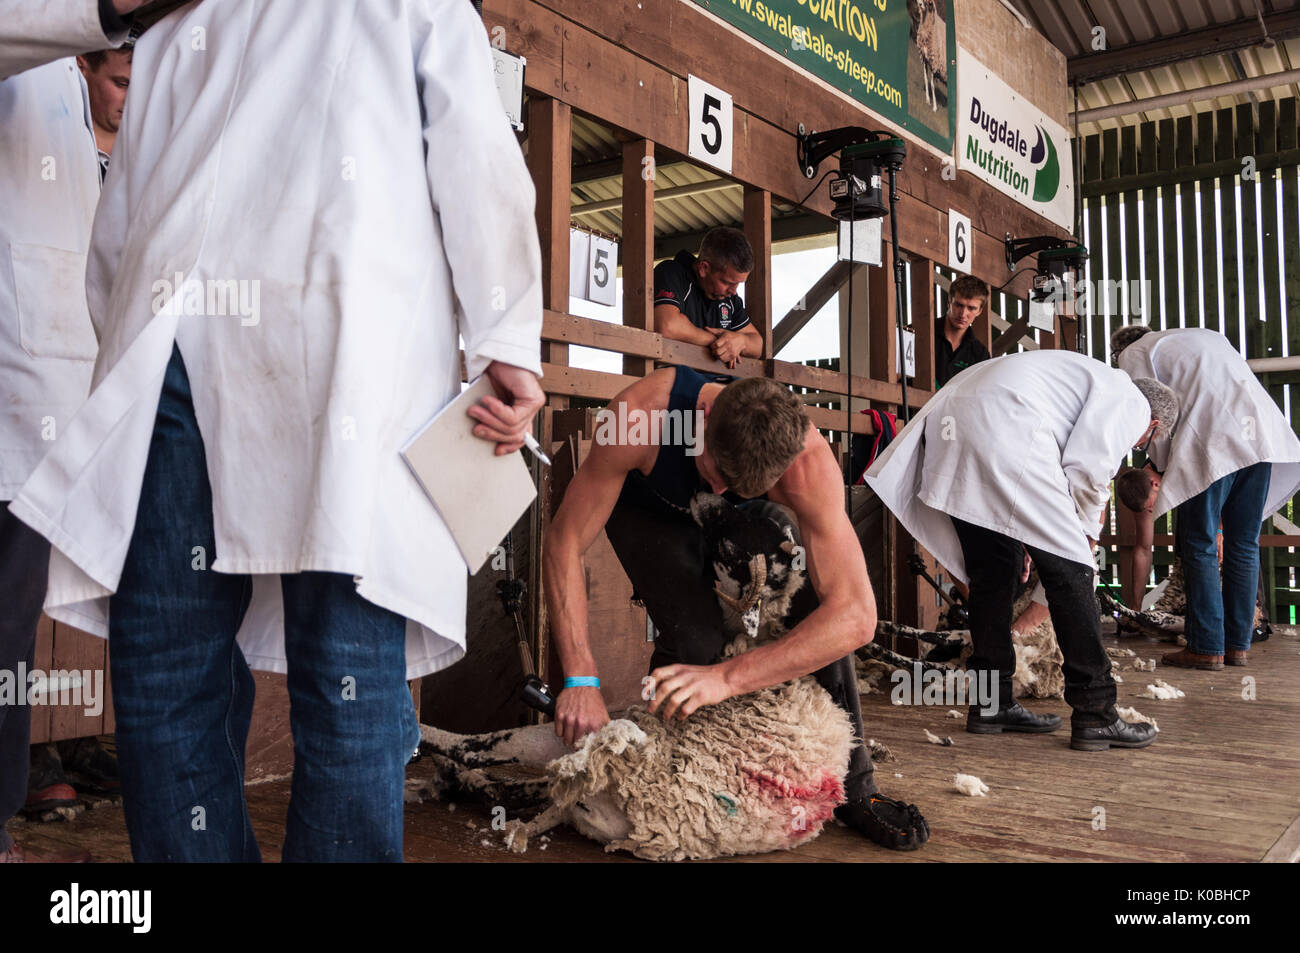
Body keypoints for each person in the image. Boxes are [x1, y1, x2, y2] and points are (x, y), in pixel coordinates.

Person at [11, 0, 544, 862]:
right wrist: (506, 338)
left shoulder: (177, 17)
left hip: (178, 346)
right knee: (346, 669)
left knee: (171, 666)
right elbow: (478, 159)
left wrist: (127, 345)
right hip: (344, 351)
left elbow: (121, 226)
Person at [543, 367, 930, 851]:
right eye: (718, 475)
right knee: (696, 642)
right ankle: (664, 777)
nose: (723, 487)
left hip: (738, 519)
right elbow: (563, 542)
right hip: (652, 508)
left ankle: (856, 788)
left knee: (813, 599)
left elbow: (856, 616)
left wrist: (730, 678)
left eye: (743, 484)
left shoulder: (807, 461)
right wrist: (580, 679)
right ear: (702, 417)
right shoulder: (637, 419)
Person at [865, 350, 1179, 751]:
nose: (1137, 447)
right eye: (1145, 442)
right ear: (1153, 425)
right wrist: (1085, 535)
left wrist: (1035, 528)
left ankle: (992, 702)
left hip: (956, 428)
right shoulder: (1131, 400)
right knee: (1074, 573)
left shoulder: (1078, 378)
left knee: (994, 572)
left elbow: (1065, 462)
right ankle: (1096, 711)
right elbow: (1088, 467)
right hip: (1004, 428)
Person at [0, 0, 142, 865]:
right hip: (18, 392)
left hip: (53, 410)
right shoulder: (36, 49)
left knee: (9, 630)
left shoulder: (99, 117)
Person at [1112, 324, 1300, 670]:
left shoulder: (1133, 355)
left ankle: (1207, 646)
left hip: (1212, 439)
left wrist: (1165, 466)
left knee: (1198, 542)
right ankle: (1237, 644)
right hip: (1260, 434)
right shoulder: (1202, 336)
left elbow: (1151, 413)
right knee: (1243, 542)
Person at [653, 227, 763, 369]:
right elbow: (667, 326)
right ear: (704, 268)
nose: (734, 291)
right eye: (727, 282)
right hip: (673, 383)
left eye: (738, 284)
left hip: (719, 386)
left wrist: (741, 341)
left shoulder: (730, 299)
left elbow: (757, 344)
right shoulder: (672, 273)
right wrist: (719, 342)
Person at [76, 41, 133, 179]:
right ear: (81, 67)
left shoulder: (157, 152)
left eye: (143, 85)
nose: (133, 97)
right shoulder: (55, 149)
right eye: (122, 84)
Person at [935, 274, 991, 388]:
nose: (963, 314)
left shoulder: (980, 354)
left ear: (980, 311)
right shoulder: (919, 332)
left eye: (971, 308)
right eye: (959, 305)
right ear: (949, 302)